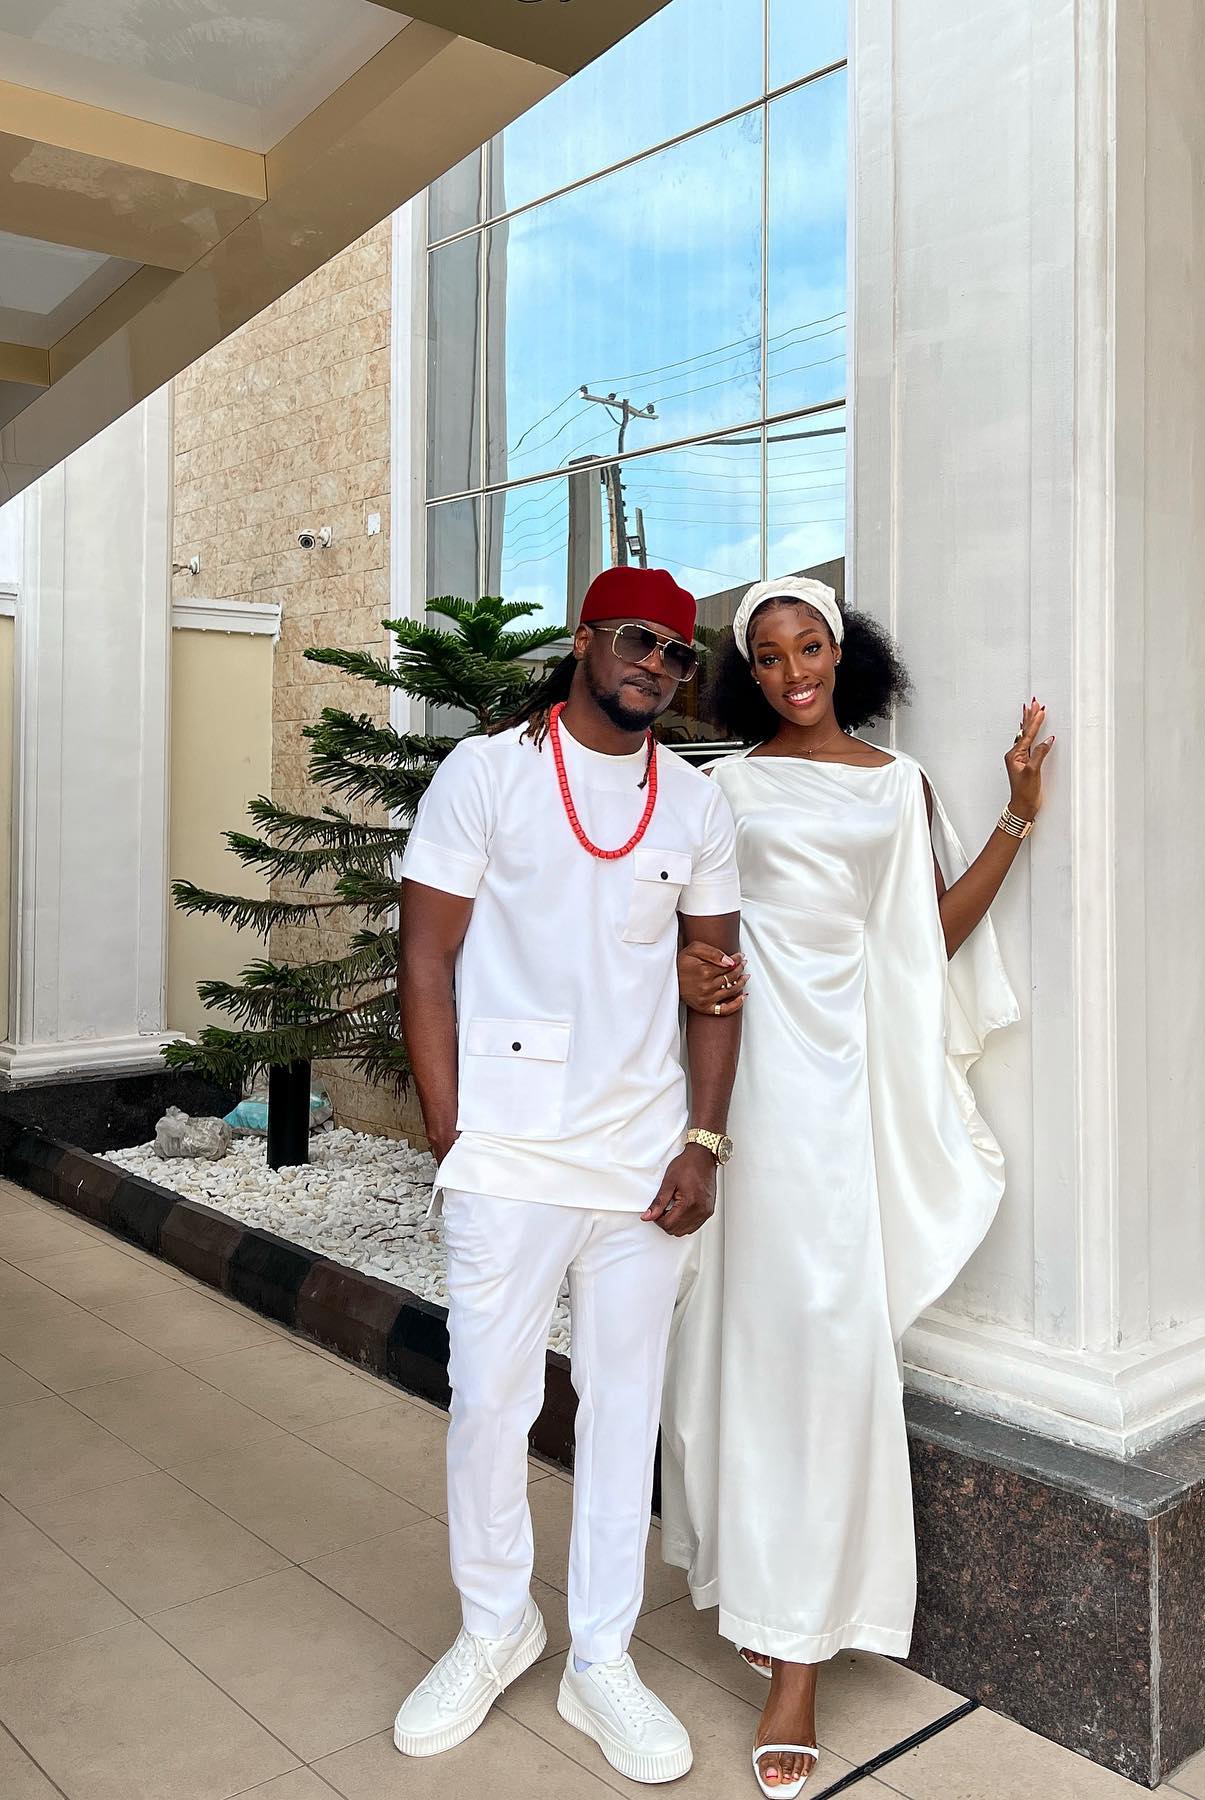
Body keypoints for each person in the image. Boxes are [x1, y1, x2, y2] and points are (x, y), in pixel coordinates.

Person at [661, 576, 1053, 1798]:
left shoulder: (899, 785)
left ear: (845, 654)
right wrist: (687, 973)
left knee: (832, 1353)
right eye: (771, 656)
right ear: (749, 675)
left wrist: (1016, 816)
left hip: (843, 1097)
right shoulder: (724, 789)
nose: (794, 672)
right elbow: (679, 934)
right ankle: (755, 1579)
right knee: (742, 1344)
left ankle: (800, 1660)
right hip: (744, 1092)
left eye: (811, 647)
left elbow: (925, 938)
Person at [394, 565, 743, 1784]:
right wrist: (455, 1135)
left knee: (622, 1408)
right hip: (508, 1151)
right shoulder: (486, 773)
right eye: (638, 639)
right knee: (490, 1400)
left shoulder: (695, 804)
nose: (657, 664)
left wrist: (703, 1141)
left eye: (679, 652)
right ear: (587, 640)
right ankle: (496, 1625)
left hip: (643, 1161)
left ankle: (601, 1656)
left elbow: (717, 985)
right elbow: (425, 960)